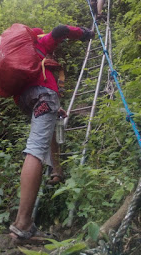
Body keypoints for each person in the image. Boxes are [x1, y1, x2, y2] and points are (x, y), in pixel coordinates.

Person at [9, 24, 95, 243]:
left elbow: (32, 93)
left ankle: (56, 170)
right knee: (36, 149)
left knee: (46, 129)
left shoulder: (23, 59)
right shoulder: (39, 40)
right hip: (43, 94)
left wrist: (54, 108)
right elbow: (60, 30)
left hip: (27, 98)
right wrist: (84, 34)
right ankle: (23, 224)